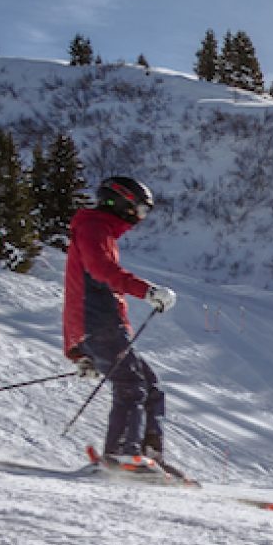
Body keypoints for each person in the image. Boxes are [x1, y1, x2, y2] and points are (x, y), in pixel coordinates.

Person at [63, 176, 178, 471]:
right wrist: (147, 291)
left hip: (102, 322)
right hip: (96, 320)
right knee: (131, 383)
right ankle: (122, 455)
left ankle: (148, 455)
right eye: (139, 210)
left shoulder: (102, 231)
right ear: (122, 201)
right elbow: (101, 270)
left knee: (149, 383)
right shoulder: (93, 228)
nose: (139, 218)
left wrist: (83, 352)